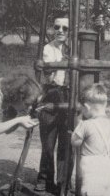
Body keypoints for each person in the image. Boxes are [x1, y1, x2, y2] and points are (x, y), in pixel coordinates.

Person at [35, 16, 70, 194]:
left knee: (65, 142)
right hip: (51, 93)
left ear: (70, 31)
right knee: (48, 143)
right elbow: (48, 75)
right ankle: (44, 179)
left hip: (68, 94)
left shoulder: (73, 49)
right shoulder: (47, 48)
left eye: (65, 28)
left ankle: (63, 183)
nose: (61, 31)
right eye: (57, 27)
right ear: (52, 28)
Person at [71, 83, 110, 196]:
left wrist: (77, 127)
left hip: (92, 170)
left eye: (83, 110)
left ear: (87, 107)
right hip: (108, 168)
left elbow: (75, 142)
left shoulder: (86, 125)